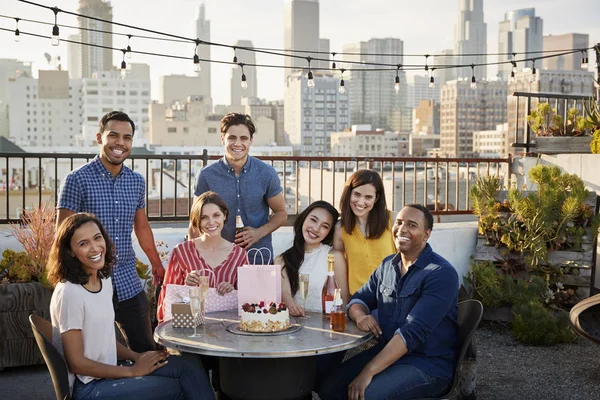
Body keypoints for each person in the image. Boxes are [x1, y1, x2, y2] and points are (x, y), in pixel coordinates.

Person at [47, 213, 214, 400]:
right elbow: (76, 363)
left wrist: (136, 356)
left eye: (97, 237)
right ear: (70, 251)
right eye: (83, 243)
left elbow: (103, 340)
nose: (95, 247)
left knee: (188, 364)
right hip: (90, 387)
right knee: (179, 387)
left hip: (110, 372)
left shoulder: (103, 279)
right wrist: (133, 371)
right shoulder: (70, 293)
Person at [318, 204, 459, 400]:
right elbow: (358, 299)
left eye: (411, 225)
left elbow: (411, 333)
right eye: (399, 223)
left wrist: (368, 372)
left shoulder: (440, 274)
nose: (402, 229)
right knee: (329, 388)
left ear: (426, 234)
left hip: (426, 364)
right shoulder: (387, 265)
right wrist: (360, 316)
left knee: (367, 394)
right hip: (386, 353)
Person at [56, 111, 163, 352]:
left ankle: (145, 389)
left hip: (127, 279)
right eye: (113, 135)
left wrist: (156, 263)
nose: (120, 143)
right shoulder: (77, 179)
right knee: (95, 351)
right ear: (99, 138)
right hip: (89, 280)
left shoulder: (136, 181)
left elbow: (142, 226)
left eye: (127, 137)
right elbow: (62, 235)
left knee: (145, 347)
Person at [191, 113, 287, 261]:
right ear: (222, 139)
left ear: (251, 141)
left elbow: (281, 213)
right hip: (218, 259)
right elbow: (195, 222)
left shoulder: (266, 173)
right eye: (232, 138)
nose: (237, 143)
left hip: (258, 257)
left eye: (243, 138)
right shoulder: (206, 175)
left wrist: (258, 233)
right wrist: (195, 261)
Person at [157, 191, 249, 324]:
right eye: (204, 217)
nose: (211, 222)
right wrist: (186, 285)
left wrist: (233, 290)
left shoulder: (239, 255)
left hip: (226, 330)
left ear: (225, 215)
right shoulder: (182, 252)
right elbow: (167, 295)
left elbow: (248, 301)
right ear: (196, 221)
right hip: (190, 328)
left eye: (216, 215)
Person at [277, 201, 349, 317]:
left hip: (327, 324)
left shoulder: (334, 256)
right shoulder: (282, 259)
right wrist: (292, 307)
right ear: (304, 218)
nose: (316, 228)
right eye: (313, 220)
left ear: (329, 232)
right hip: (294, 324)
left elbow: (344, 300)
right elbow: (285, 293)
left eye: (324, 226)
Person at [334, 169, 396, 294]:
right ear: (349, 193)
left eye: (368, 197)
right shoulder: (339, 228)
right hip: (358, 299)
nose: (361, 202)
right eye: (356, 194)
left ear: (376, 198)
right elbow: (340, 270)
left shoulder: (393, 220)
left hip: (391, 296)